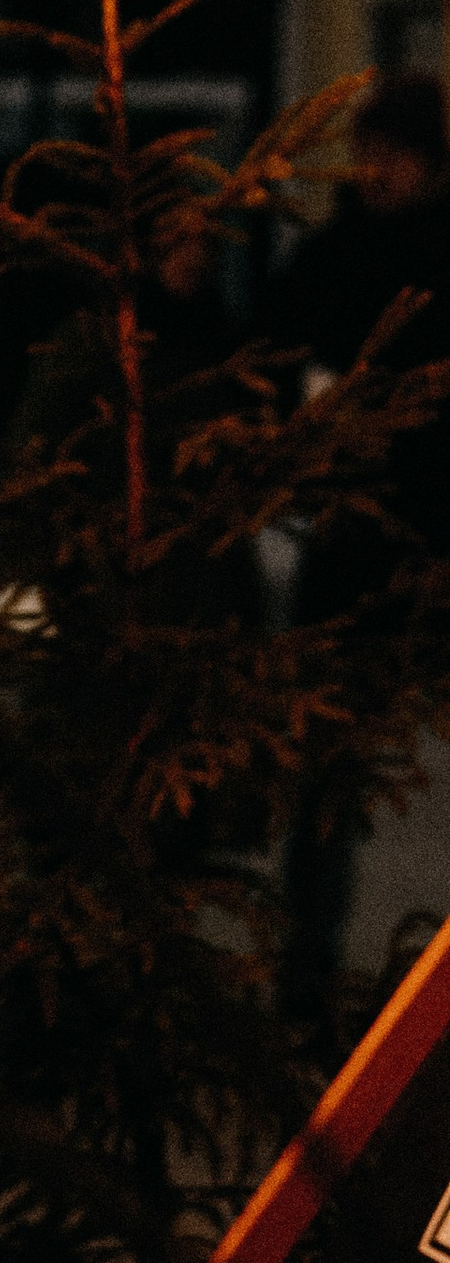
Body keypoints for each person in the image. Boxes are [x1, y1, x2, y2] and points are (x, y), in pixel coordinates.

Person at [266, 69, 450, 1041]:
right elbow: (267, 366)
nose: (376, 169)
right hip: (349, 554)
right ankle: (308, 974)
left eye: (395, 152)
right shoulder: (331, 259)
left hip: (427, 547)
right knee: (330, 777)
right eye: (368, 149)